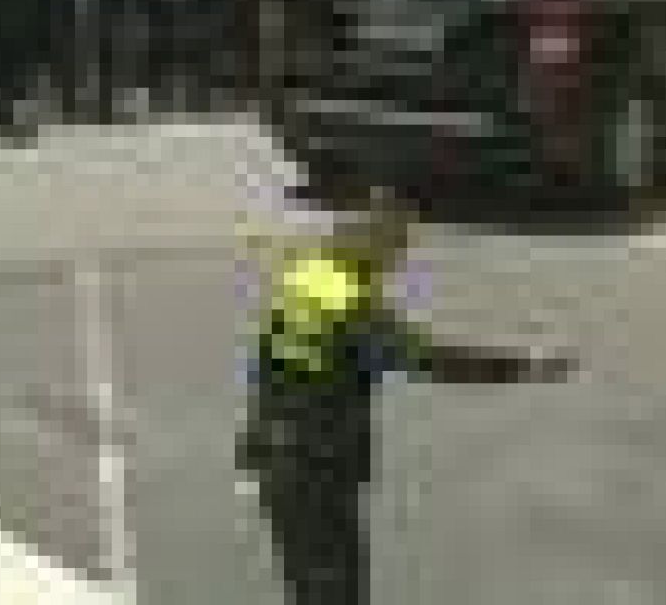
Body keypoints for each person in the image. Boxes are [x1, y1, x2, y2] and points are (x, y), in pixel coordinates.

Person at [236, 163, 575, 604]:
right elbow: (431, 360)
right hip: (316, 468)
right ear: (373, 246)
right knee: (334, 589)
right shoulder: (353, 306)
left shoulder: (307, 278)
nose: (398, 260)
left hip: (278, 460)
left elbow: (269, 364)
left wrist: (253, 446)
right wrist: (527, 366)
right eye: (395, 248)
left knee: (307, 587)